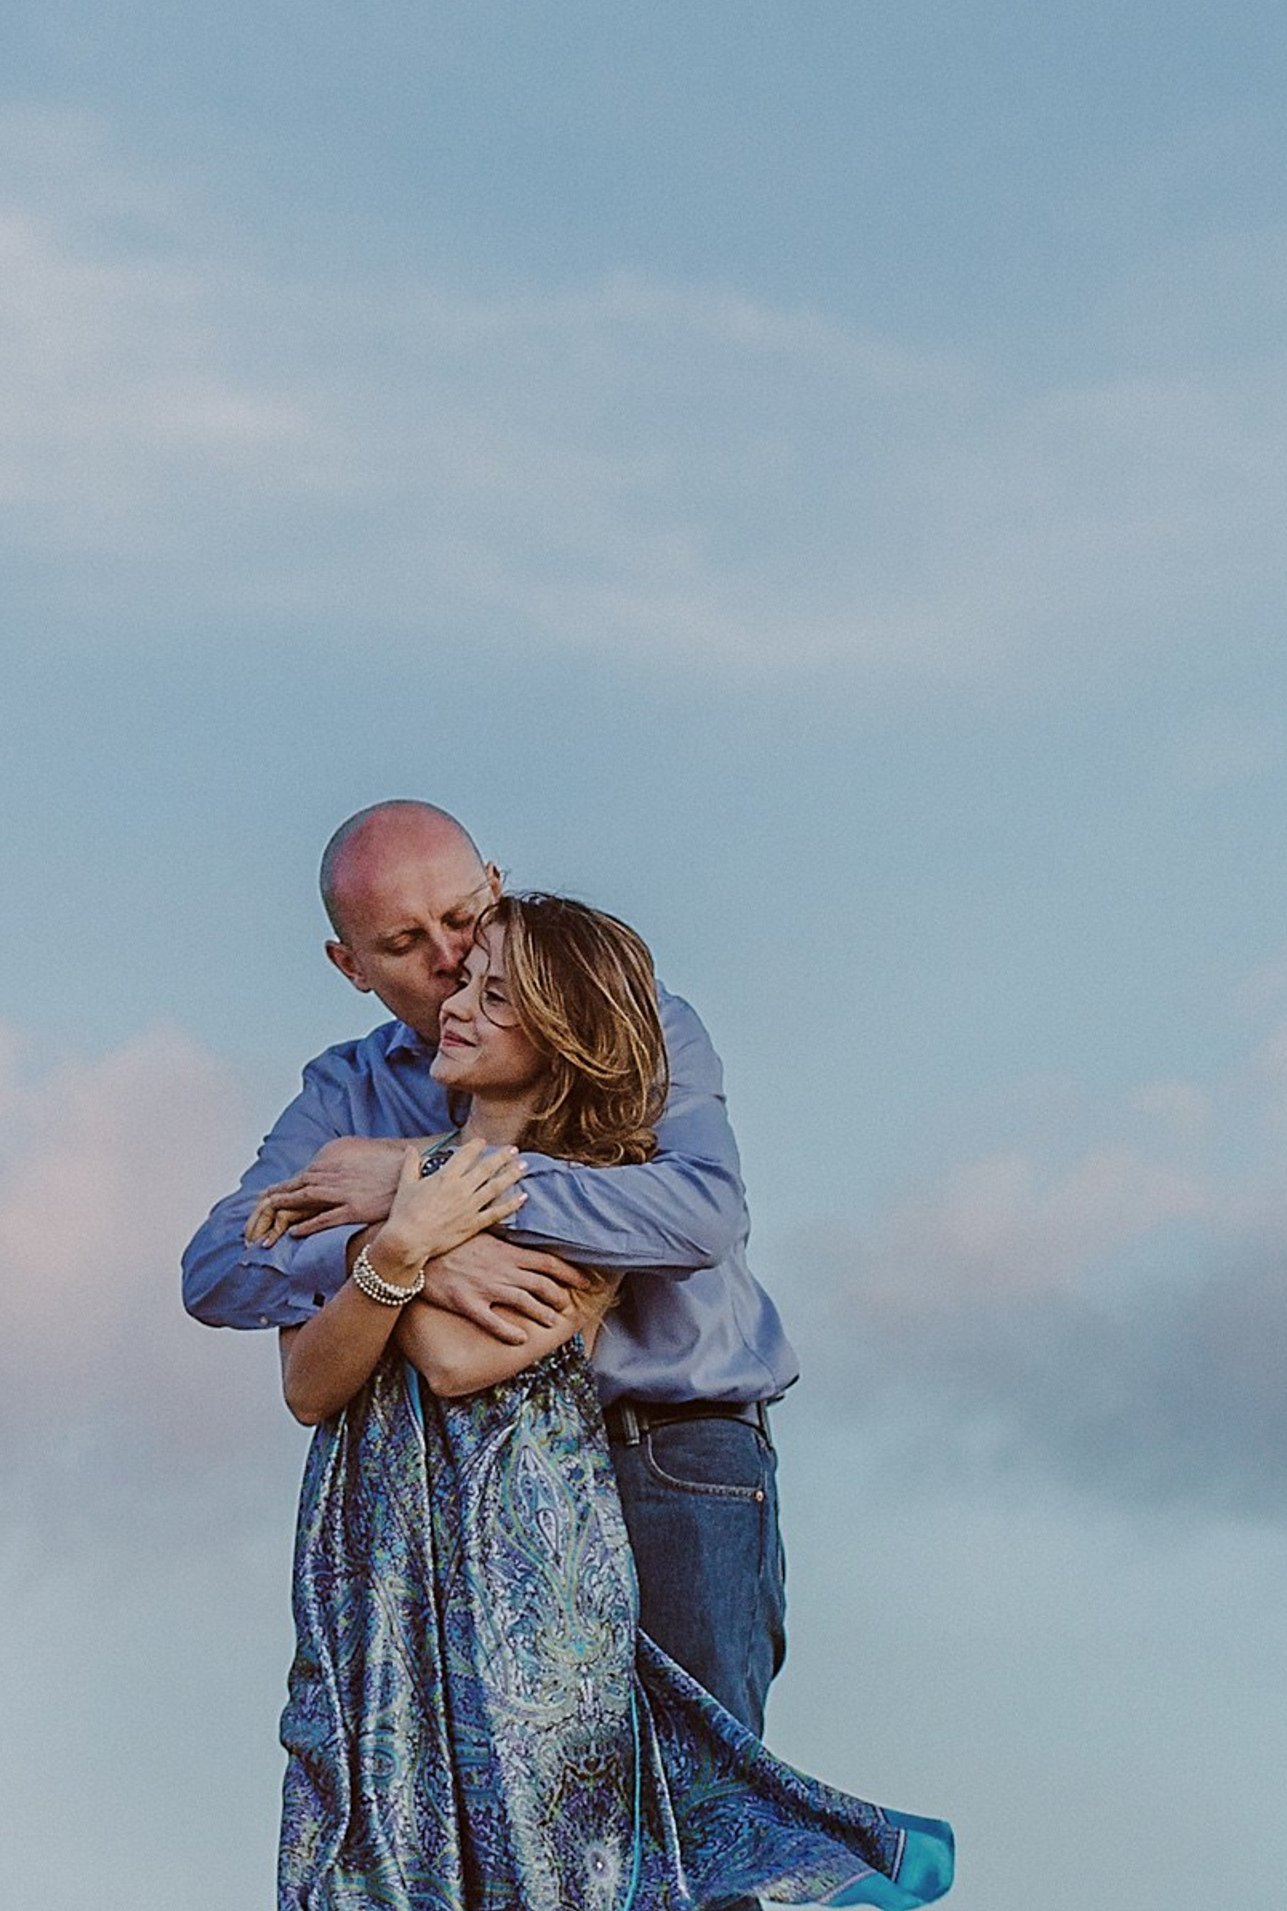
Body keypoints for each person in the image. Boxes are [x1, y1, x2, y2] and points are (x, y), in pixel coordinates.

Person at [266, 890, 952, 1909]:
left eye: (495, 998)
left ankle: (816, 1874)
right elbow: (304, 1376)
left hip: (529, 1553)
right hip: (381, 1558)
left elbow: (458, 1361)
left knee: (612, 1840)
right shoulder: (389, 1157)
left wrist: (399, 1244)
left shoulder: (594, 1196)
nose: (455, 997)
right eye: (464, 980)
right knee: (364, 1838)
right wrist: (390, 1247)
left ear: (555, 1041)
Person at [182, 800, 795, 1743]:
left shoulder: (636, 1023)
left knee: (689, 1822)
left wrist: (417, 1176)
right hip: (455, 1494)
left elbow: (699, 1212)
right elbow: (221, 1264)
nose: (449, 959)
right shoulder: (347, 1090)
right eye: (403, 941)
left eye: (464, 920)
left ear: (496, 890)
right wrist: (400, 1255)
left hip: (667, 1456)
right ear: (351, 967)